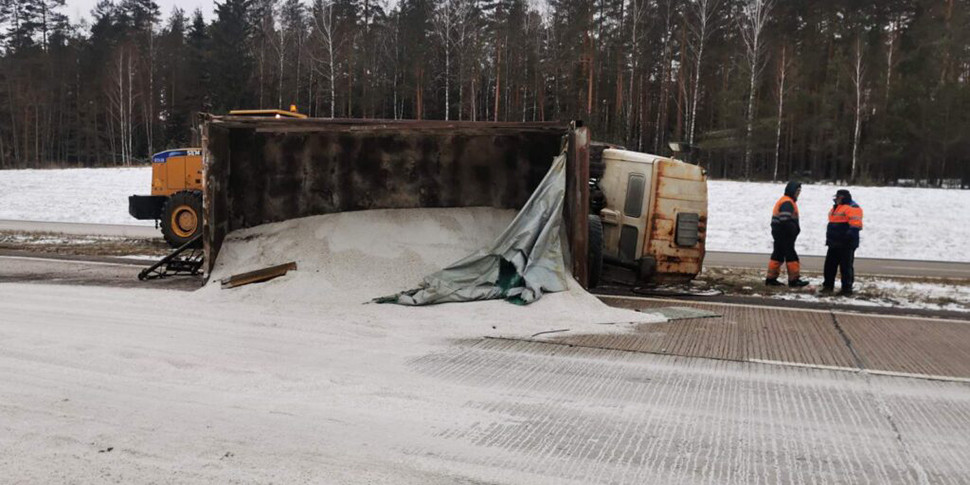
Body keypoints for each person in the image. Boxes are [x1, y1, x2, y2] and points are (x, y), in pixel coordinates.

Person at [766, 181, 810, 287]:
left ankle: (771, 279)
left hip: (779, 234)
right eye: (797, 191)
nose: (798, 193)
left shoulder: (785, 201)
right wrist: (793, 230)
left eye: (800, 191)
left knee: (777, 256)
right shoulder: (787, 202)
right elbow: (785, 219)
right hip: (784, 234)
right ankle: (794, 280)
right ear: (792, 191)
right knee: (791, 257)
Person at [823, 189, 864, 295]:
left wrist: (848, 237)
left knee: (845, 267)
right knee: (829, 266)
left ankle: (846, 289)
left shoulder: (852, 207)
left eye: (838, 197)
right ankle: (828, 286)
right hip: (834, 242)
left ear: (842, 197)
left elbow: (855, 225)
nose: (836, 199)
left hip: (846, 243)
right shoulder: (837, 207)